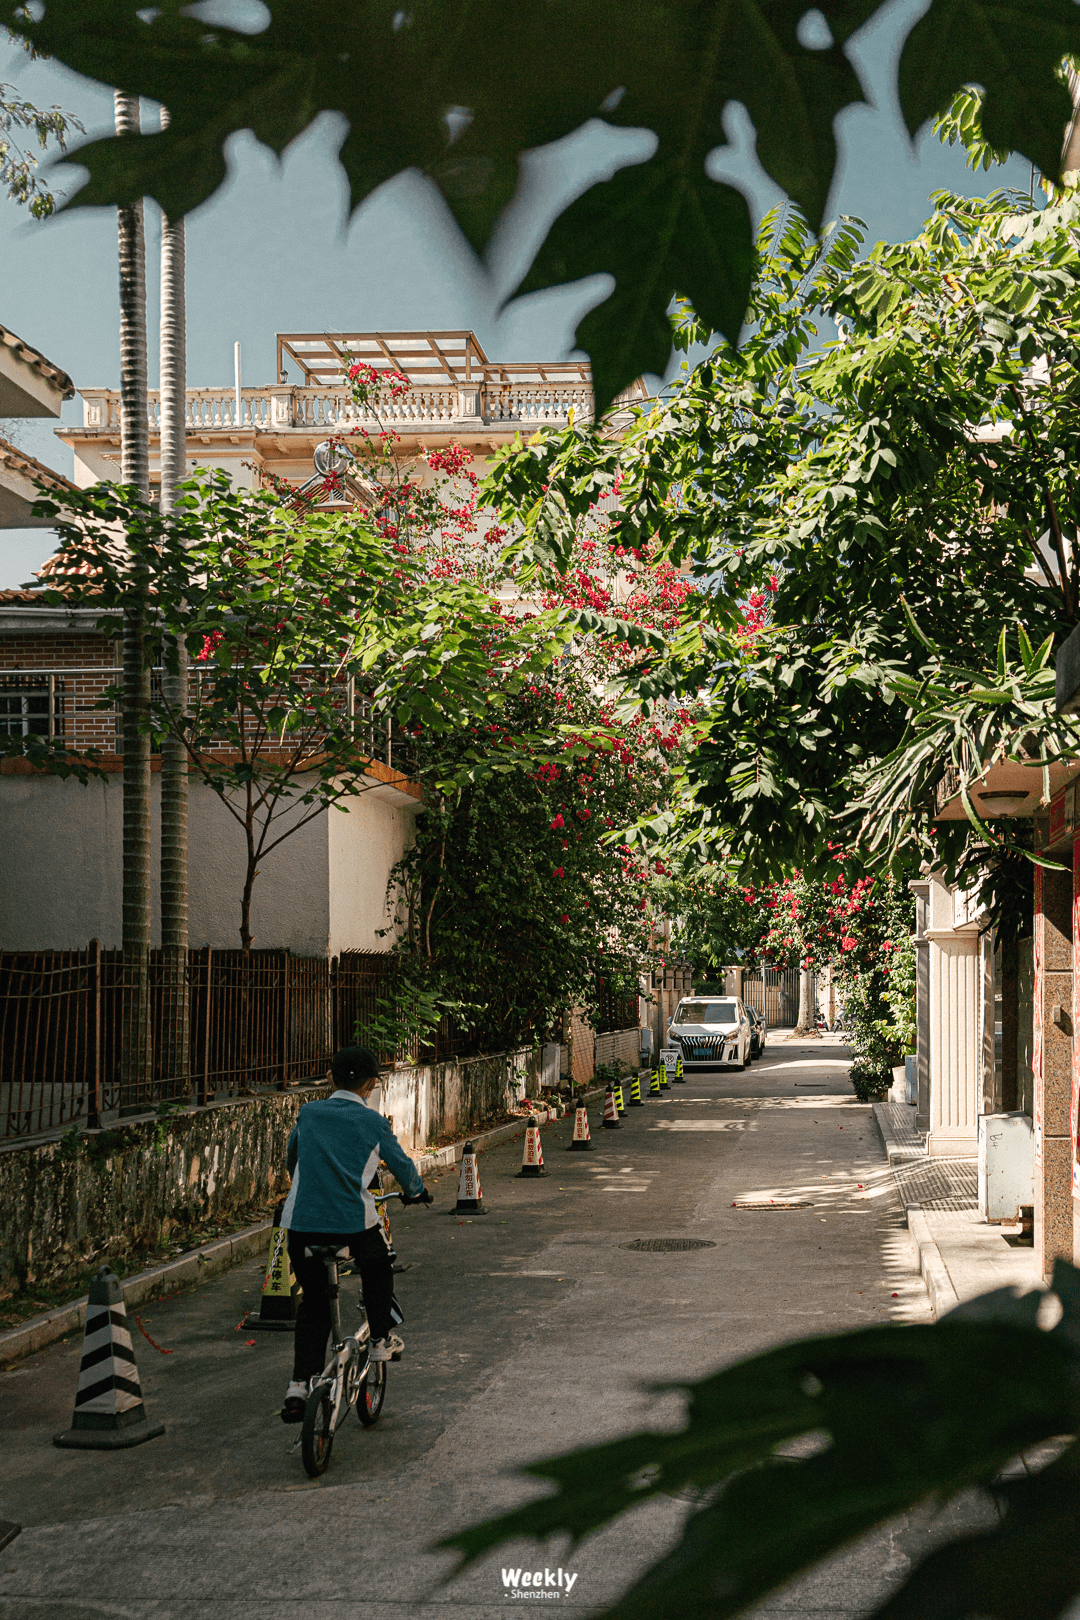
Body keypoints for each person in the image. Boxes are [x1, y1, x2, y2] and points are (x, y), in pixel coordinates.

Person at [279, 1044, 432, 1423]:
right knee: (379, 1264)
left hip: (299, 1226)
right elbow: (402, 1166)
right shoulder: (373, 1122)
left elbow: (291, 1158)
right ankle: (380, 1338)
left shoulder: (308, 1114)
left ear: (330, 1077)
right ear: (371, 1084)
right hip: (351, 1223)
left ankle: (299, 1386)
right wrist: (416, 1192)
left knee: (314, 1303)